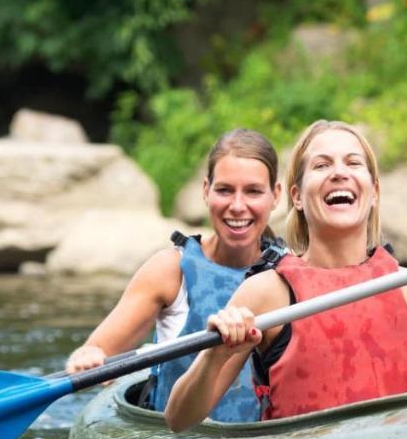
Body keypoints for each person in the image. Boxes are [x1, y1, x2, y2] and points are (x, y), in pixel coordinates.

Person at [164, 120, 407, 432]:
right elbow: (178, 420)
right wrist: (215, 357)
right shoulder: (268, 294)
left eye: (353, 164)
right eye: (321, 165)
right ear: (297, 197)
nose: (339, 173)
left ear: (374, 190)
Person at [65, 128, 285, 422]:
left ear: (277, 195)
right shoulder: (170, 270)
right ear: (205, 191)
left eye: (253, 191)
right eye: (224, 190)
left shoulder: (290, 272)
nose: (237, 205)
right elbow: (97, 352)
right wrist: (87, 357)